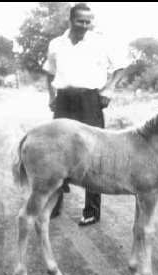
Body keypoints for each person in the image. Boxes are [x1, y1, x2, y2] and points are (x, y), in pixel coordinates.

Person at [42, 3, 125, 226]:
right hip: (64, 101)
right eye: (81, 21)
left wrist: (110, 89)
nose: (85, 25)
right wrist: (51, 96)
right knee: (58, 152)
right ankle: (54, 205)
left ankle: (91, 211)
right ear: (71, 20)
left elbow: (120, 66)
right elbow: (49, 73)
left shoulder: (100, 42)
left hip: (90, 100)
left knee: (93, 153)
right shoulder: (56, 44)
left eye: (89, 21)